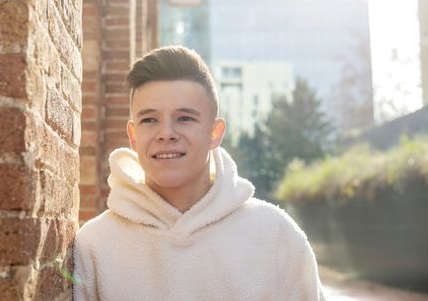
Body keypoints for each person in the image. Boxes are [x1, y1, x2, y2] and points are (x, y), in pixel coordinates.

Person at [73, 46, 325, 300]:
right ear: (133, 136)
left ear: (215, 133)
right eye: (150, 120)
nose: (166, 133)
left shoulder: (276, 235)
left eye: (184, 118)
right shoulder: (94, 246)